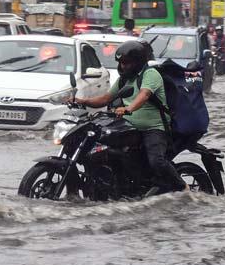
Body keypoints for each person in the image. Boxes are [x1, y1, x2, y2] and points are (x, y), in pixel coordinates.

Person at [74, 41, 185, 195]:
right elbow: (106, 98)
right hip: (128, 128)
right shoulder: (124, 80)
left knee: (156, 161)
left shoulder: (151, 74)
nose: (123, 66)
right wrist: (83, 101)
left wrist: (128, 108)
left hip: (153, 129)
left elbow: (144, 94)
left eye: (126, 63)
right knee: (103, 150)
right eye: (120, 63)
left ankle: (183, 188)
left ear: (138, 62)